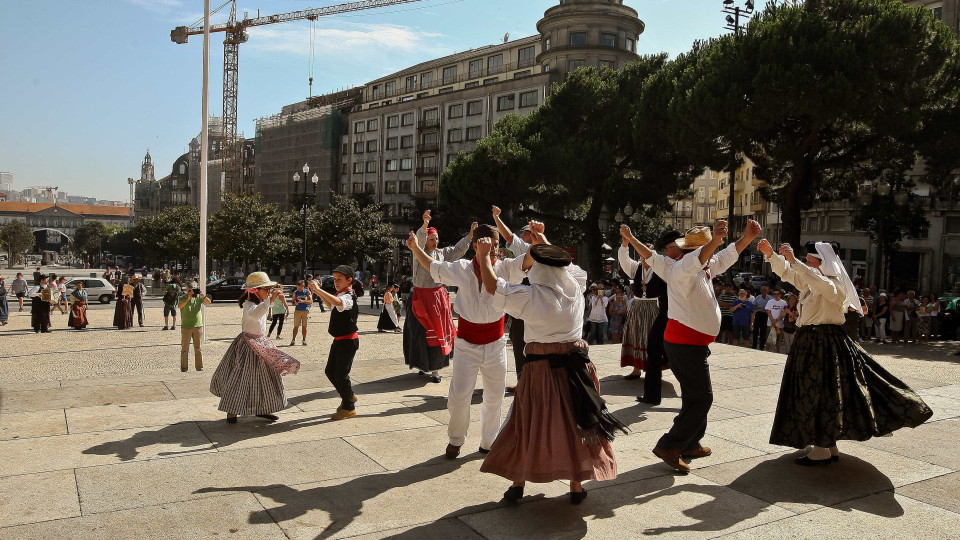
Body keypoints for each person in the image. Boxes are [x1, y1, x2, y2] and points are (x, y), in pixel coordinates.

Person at [475, 225, 626, 505]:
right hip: (576, 370)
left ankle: (518, 484)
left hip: (541, 371)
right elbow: (568, 269)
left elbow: (494, 286)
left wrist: (484, 256)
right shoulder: (576, 289)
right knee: (575, 424)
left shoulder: (531, 297)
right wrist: (543, 241)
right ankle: (576, 486)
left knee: (527, 424)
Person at [758, 239, 933, 465]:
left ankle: (821, 448)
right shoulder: (813, 282)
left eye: (810, 259)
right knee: (822, 393)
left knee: (819, 393)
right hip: (813, 342)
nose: (806, 262)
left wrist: (793, 260)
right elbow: (792, 276)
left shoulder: (833, 285)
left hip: (821, 344)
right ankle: (827, 445)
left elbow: (816, 281)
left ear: (821, 262)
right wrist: (772, 255)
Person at [622, 219, 762, 473]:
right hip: (684, 342)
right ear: (696, 251)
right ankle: (670, 445)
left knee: (694, 395)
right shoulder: (685, 265)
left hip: (691, 342)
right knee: (702, 398)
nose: (712, 253)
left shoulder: (703, 265)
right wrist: (716, 240)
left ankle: (691, 442)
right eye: (708, 249)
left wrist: (747, 238)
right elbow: (703, 254)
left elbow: (729, 254)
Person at [406, 223, 525, 458]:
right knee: (459, 395)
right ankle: (456, 439)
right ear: (475, 246)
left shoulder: (506, 268)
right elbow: (433, 266)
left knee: (495, 395)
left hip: (495, 343)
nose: (492, 251)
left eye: (496, 246)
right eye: (487, 246)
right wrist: (415, 249)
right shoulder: (462, 268)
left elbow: (529, 261)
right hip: (467, 344)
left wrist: (538, 238)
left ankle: (489, 442)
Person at [210, 272, 301, 423]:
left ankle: (263, 408)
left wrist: (269, 301)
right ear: (256, 290)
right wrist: (269, 300)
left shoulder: (261, 304)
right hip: (248, 346)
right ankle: (232, 410)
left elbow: (262, 313)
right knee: (241, 378)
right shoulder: (249, 304)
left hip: (261, 344)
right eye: (266, 289)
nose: (269, 292)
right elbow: (254, 315)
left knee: (267, 377)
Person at [404, 209, 476, 383]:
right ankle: (422, 364)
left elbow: (458, 250)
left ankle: (435, 370)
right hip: (420, 299)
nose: (435, 241)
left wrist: (470, 235)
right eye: (431, 239)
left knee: (437, 334)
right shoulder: (419, 254)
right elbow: (419, 242)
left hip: (437, 299)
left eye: (436, 239)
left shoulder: (443, 254)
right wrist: (425, 225)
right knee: (418, 334)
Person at [620, 230, 681, 404]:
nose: (643, 258)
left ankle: (654, 371)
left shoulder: (661, 267)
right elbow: (624, 261)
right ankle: (636, 369)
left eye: (645, 254)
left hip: (655, 307)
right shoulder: (636, 268)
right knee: (636, 335)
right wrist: (625, 245)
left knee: (653, 341)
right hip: (639, 306)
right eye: (641, 255)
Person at [308, 265, 361, 420]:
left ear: (349, 280)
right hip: (339, 340)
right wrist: (317, 291)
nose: (336, 282)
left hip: (348, 341)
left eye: (339, 279)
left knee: (341, 374)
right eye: (334, 279)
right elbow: (331, 305)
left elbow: (338, 303)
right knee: (330, 372)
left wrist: (319, 290)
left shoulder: (349, 296)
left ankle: (349, 407)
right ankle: (349, 396)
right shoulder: (341, 294)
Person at [492, 205, 533, 392]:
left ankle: (533, 382)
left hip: (534, 303)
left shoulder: (537, 249)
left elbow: (509, 237)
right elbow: (510, 238)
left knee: (530, 343)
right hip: (523, 303)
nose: (522, 237)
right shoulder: (526, 251)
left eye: (525, 234)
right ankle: (523, 381)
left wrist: (497, 218)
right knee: (518, 342)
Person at [178, 282, 211, 372]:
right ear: (186, 290)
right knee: (185, 348)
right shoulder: (182, 297)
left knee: (198, 348)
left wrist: (203, 296)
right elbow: (180, 306)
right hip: (186, 326)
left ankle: (199, 367)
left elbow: (208, 302)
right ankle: (184, 368)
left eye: (192, 290)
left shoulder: (198, 298)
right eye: (189, 290)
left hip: (197, 326)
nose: (191, 292)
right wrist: (187, 299)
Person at [290, 280, 312, 346]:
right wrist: (295, 303)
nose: (299, 288)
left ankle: (304, 340)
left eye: (300, 287)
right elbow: (292, 303)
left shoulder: (307, 292)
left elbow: (310, 301)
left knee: (304, 326)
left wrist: (302, 301)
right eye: (298, 287)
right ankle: (293, 339)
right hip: (298, 310)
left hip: (305, 310)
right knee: (296, 326)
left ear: (303, 286)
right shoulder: (295, 292)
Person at [751, 285, 773, 350]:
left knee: (763, 332)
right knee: (755, 331)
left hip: (765, 315)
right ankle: (754, 346)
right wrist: (759, 308)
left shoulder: (770, 298)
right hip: (758, 314)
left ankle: (761, 346)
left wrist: (766, 310)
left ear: (767, 291)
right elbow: (754, 306)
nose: (763, 291)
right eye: (762, 290)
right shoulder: (758, 297)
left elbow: (771, 308)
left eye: (765, 290)